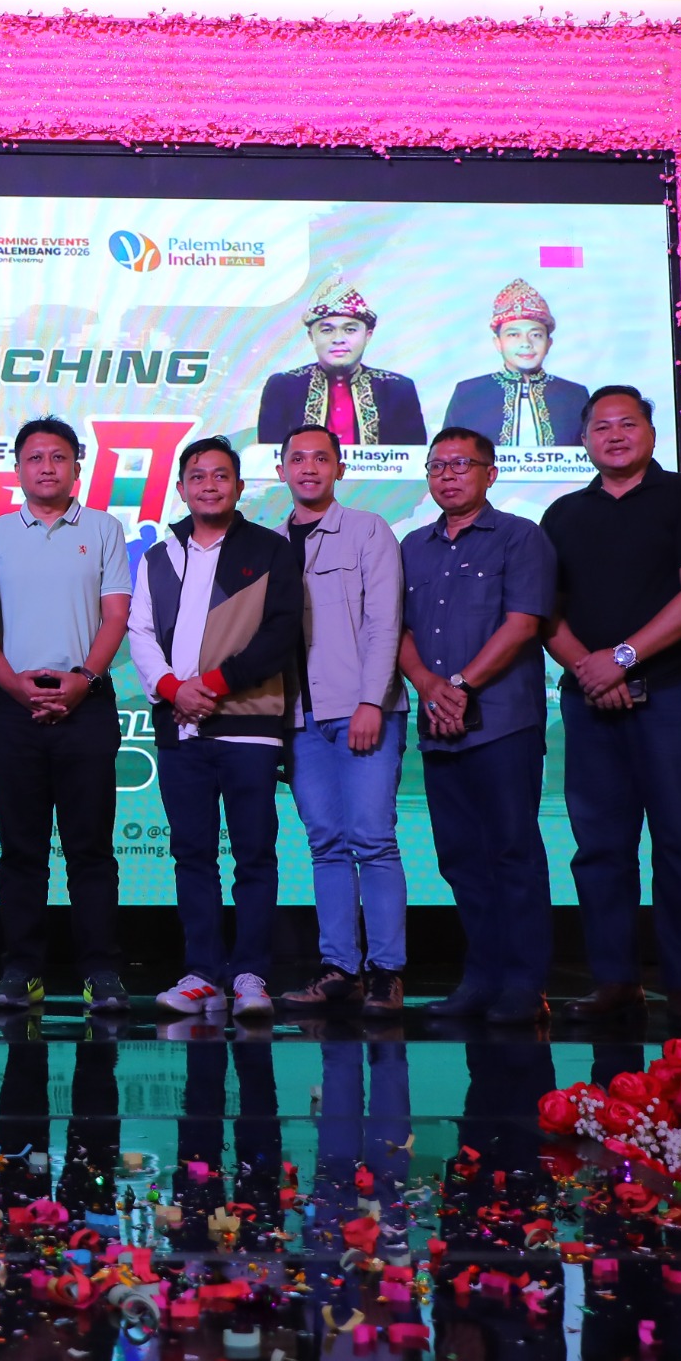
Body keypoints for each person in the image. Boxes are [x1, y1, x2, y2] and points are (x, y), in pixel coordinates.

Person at [540, 385, 681, 1029]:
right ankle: (615, 981)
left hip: (673, 694)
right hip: (590, 701)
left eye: (628, 423)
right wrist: (591, 670)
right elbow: (546, 614)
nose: (615, 435)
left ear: (651, 432)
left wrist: (620, 658)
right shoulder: (564, 513)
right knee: (599, 849)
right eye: (601, 427)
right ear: (584, 440)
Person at [128, 436, 303, 1019]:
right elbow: (140, 633)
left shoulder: (270, 550)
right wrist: (173, 688)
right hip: (179, 727)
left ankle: (251, 974)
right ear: (181, 488)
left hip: (248, 727)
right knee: (192, 854)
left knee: (254, 855)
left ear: (239, 486)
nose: (209, 485)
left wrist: (213, 685)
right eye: (198, 476)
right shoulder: (159, 557)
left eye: (221, 475)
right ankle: (202, 972)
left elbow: (280, 633)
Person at [395, 428, 559, 1026]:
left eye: (461, 464)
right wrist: (427, 684)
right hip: (439, 724)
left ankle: (524, 983)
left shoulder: (521, 536)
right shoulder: (411, 546)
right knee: (460, 858)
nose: (448, 475)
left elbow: (523, 624)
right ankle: (481, 979)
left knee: (513, 852)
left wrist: (461, 685)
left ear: (490, 473)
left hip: (504, 722)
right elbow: (396, 629)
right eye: (437, 465)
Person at [0, 417, 133, 1016]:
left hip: (85, 702)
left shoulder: (104, 528)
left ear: (76, 467)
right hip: (12, 705)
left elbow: (115, 615)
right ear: (17, 469)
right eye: (35, 458)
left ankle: (101, 971)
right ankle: (22, 970)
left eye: (58, 457)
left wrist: (83, 681)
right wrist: (14, 685)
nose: (46, 467)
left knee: (90, 847)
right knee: (21, 848)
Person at [273, 425, 410, 1019]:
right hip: (298, 720)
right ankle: (339, 969)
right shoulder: (270, 544)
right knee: (325, 844)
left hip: (360, 711)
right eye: (298, 459)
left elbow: (385, 622)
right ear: (280, 470)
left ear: (339, 468)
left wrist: (371, 701)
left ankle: (386, 973)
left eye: (321, 458)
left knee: (373, 841)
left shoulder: (367, 530)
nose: (309, 468)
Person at [256, 282, 426, 449]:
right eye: (327, 330)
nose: (338, 339)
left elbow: (413, 459)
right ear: (311, 337)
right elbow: (269, 458)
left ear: (367, 336)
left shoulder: (398, 389)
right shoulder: (283, 387)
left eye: (350, 330)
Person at [440, 279, 591, 450]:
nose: (526, 343)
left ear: (549, 344)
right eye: (513, 335)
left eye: (536, 335)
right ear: (498, 343)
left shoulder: (574, 395)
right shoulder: (469, 393)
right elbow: (447, 453)